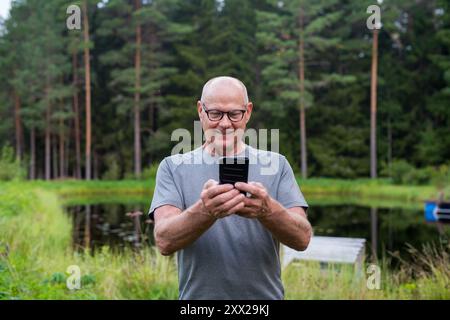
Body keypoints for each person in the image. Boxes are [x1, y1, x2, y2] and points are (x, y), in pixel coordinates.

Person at [148, 76, 312, 300]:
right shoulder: (172, 167)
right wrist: (205, 211)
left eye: (234, 114)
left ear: (248, 112)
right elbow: (164, 240)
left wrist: (268, 210)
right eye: (215, 113)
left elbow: (302, 238)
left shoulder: (277, 164)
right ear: (200, 111)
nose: (225, 124)